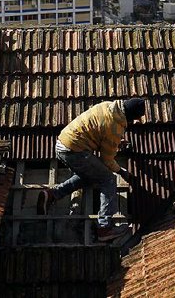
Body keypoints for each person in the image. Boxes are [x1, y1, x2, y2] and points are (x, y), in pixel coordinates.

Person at [38, 98, 145, 242]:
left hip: (63, 142)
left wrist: (115, 141)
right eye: (136, 118)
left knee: (91, 175)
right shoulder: (114, 128)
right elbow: (107, 160)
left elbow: (100, 131)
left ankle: (52, 194)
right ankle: (104, 228)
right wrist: (122, 171)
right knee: (108, 179)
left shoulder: (108, 105)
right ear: (130, 116)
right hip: (75, 151)